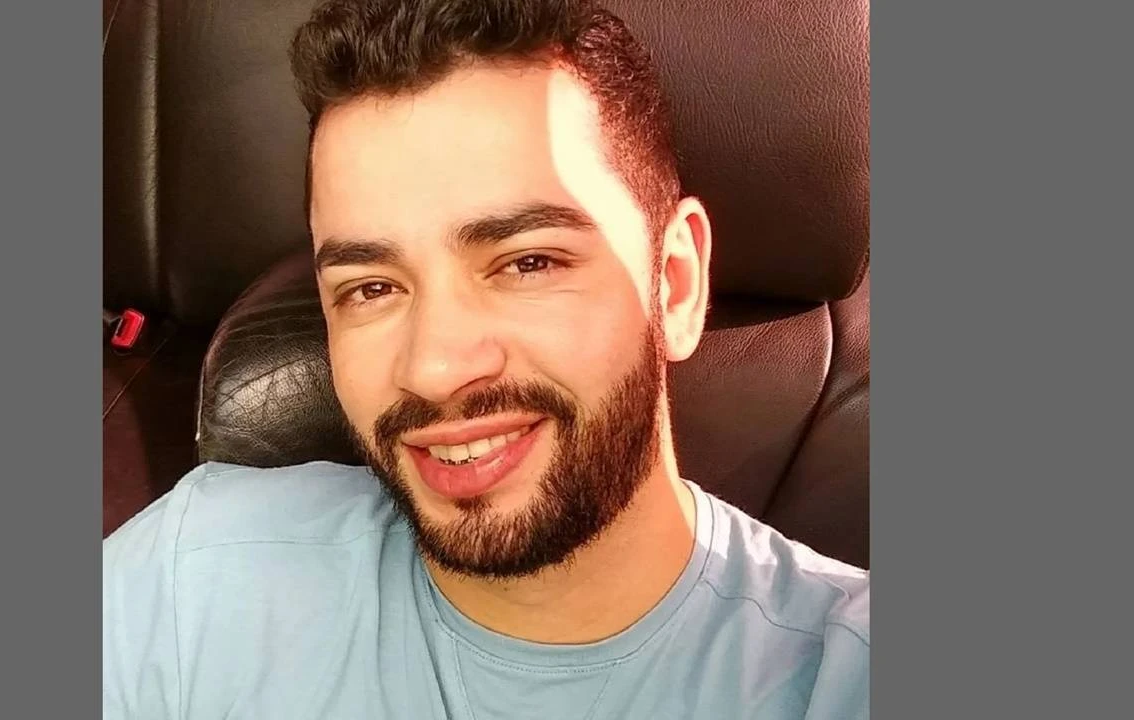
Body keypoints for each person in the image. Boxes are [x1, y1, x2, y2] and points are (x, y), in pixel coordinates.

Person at [103, 0, 870, 717]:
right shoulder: (191, 579)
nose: (433, 370)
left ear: (673, 283)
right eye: (372, 287)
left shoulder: (842, 674)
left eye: (527, 262)